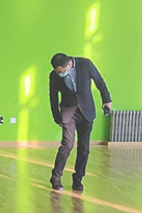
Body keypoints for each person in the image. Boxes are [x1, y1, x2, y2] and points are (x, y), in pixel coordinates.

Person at [48, 53, 112, 191]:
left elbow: (99, 81)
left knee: (84, 148)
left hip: (86, 111)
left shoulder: (85, 64)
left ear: (69, 64)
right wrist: (56, 116)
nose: (60, 74)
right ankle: (56, 177)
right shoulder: (54, 76)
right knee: (67, 145)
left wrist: (106, 99)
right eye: (58, 72)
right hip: (68, 113)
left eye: (62, 71)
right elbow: (53, 96)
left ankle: (78, 178)